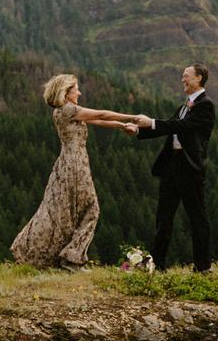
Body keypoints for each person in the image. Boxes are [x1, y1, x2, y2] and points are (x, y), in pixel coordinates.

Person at [11, 74, 141, 270]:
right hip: (75, 164)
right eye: (76, 89)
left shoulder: (63, 111)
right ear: (66, 92)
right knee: (91, 209)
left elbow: (98, 121)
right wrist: (132, 117)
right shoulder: (69, 110)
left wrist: (122, 126)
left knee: (64, 212)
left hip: (67, 164)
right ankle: (72, 258)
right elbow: (101, 115)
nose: (79, 93)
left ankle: (62, 257)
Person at [133, 63, 215, 273]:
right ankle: (156, 264)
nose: (182, 79)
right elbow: (170, 125)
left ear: (198, 78)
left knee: (197, 217)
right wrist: (138, 130)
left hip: (190, 168)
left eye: (186, 76)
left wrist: (151, 122)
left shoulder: (206, 105)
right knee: (164, 216)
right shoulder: (185, 105)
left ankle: (203, 266)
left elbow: (182, 126)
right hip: (172, 165)